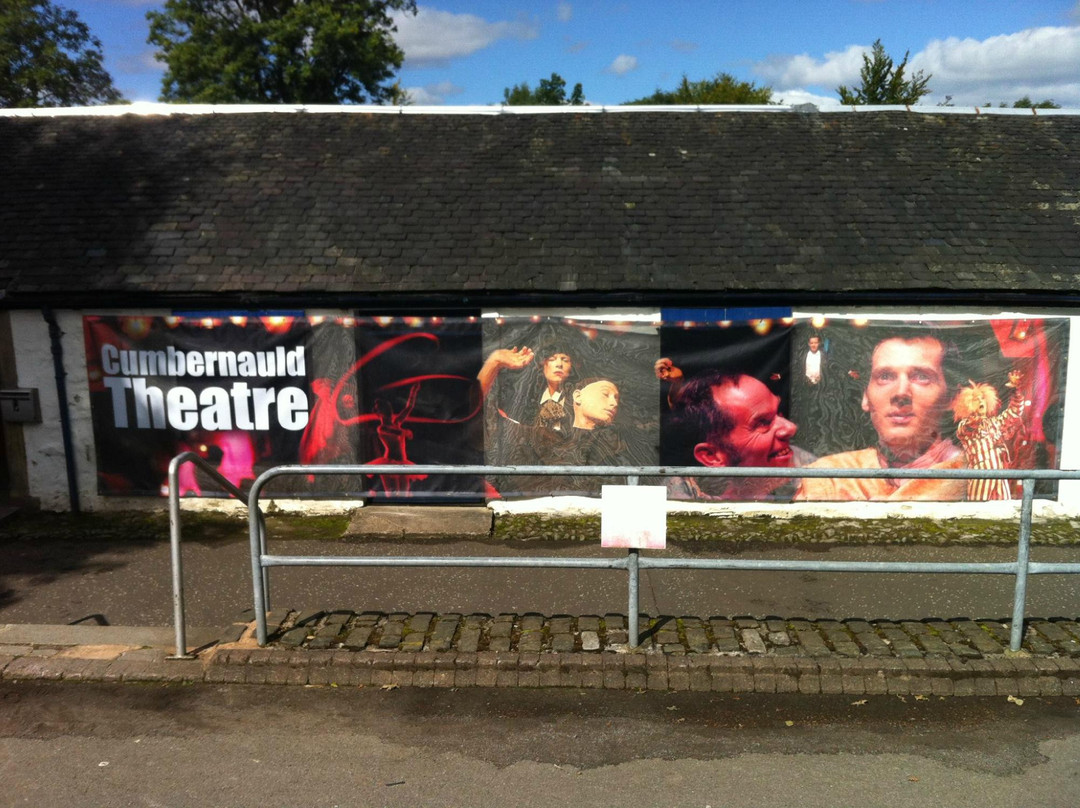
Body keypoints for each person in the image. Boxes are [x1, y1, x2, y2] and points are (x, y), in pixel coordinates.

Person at [795, 333, 966, 501]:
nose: (901, 392)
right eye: (885, 376)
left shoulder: (974, 476)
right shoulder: (829, 478)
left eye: (922, 377)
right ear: (866, 397)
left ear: (953, 397)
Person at [661, 365, 811, 501]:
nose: (790, 427)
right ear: (711, 456)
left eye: (779, 412)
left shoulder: (800, 461)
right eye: (763, 422)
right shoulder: (673, 502)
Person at [951, 370, 1027, 501]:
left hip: (999, 475)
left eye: (982, 399)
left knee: (1004, 509)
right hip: (981, 476)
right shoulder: (964, 425)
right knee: (979, 510)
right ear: (968, 405)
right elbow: (969, 427)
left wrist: (1015, 390)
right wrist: (975, 416)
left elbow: (1014, 411)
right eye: (976, 400)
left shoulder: (995, 423)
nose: (981, 401)